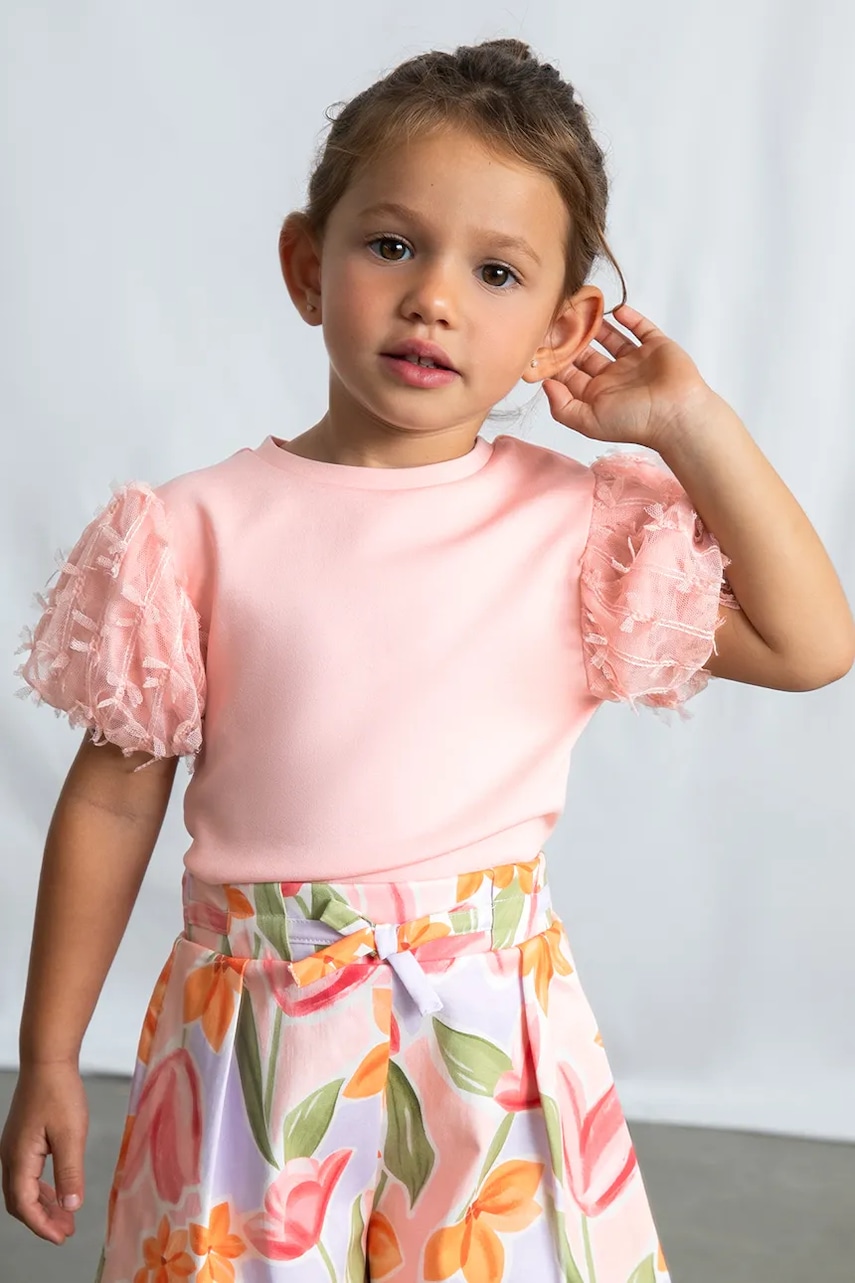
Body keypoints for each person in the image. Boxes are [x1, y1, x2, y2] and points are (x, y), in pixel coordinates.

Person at [2, 35, 853, 1283]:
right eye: (393, 245)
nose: (434, 298)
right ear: (309, 265)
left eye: (496, 271)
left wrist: (689, 421)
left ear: (563, 327)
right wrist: (49, 1053)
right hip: (252, 1040)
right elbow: (115, 797)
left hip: (491, 1045)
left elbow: (810, 643)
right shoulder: (190, 531)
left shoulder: (578, 530)